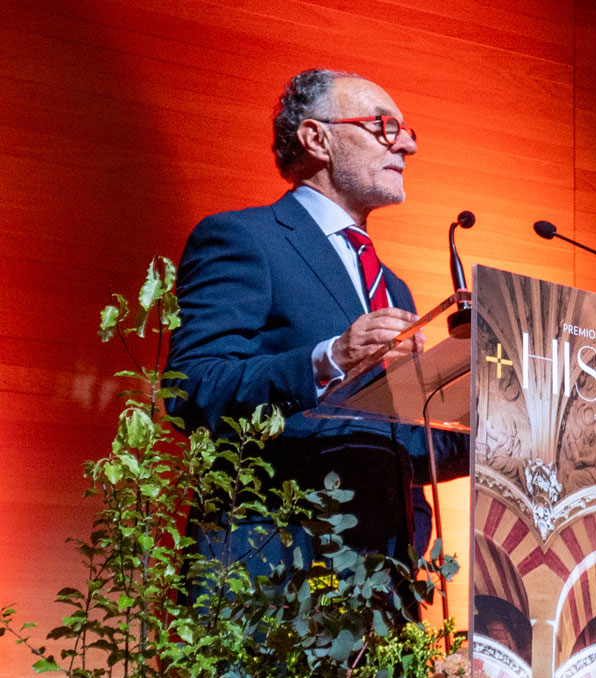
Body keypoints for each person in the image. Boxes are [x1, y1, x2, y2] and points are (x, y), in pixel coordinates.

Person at [168, 68, 467, 576]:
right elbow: (194, 388)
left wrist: (493, 424)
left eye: (406, 131)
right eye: (384, 125)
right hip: (272, 574)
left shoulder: (392, 286)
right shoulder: (242, 239)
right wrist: (327, 358)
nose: (407, 147)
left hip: (383, 583)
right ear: (317, 138)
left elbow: (399, 445)